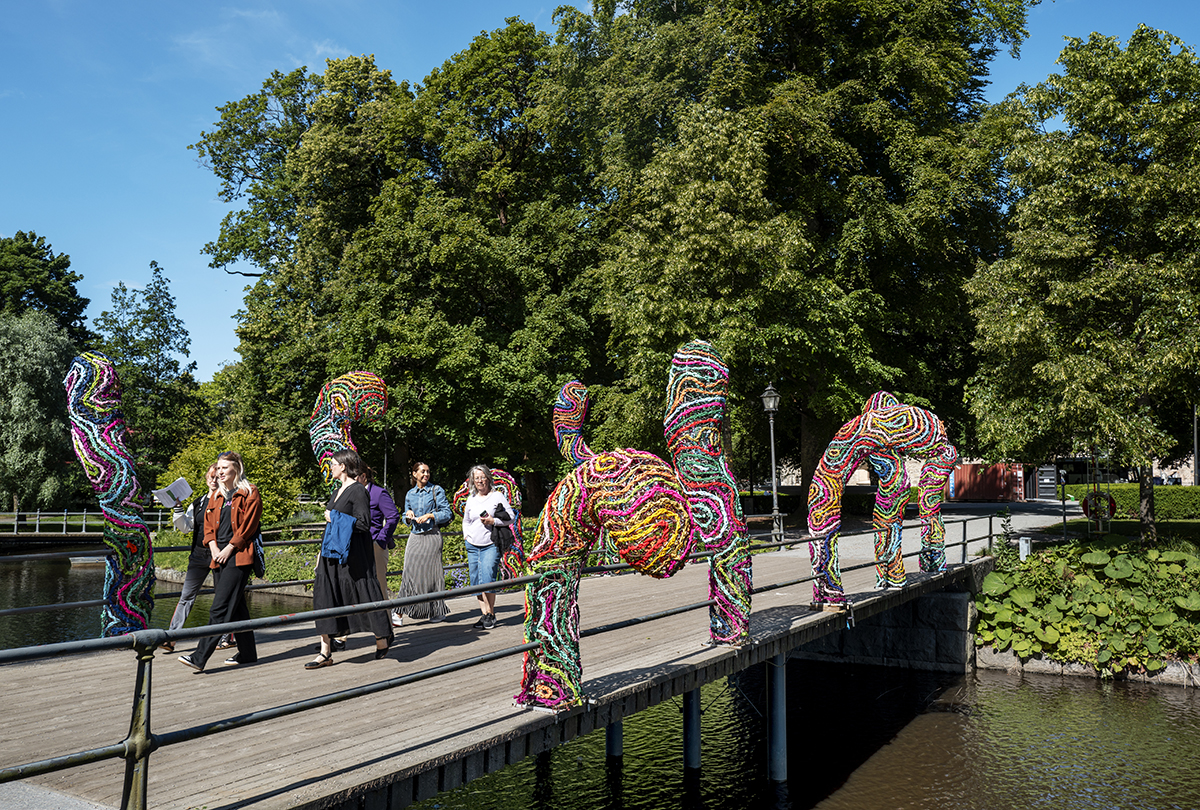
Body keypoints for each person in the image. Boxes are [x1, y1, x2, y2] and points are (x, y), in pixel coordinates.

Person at [307, 449, 393, 669]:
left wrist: (334, 517)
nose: (331, 467)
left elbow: (363, 523)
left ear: (343, 466)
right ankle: (325, 652)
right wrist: (320, 554)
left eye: (333, 464)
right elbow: (330, 525)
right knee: (325, 597)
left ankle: (382, 639)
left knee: (365, 593)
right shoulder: (337, 491)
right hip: (330, 554)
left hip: (352, 555)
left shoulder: (358, 491)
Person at [178, 451, 261, 671]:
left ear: (237, 468)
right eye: (219, 467)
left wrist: (230, 548)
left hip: (238, 556)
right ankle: (248, 654)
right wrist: (214, 548)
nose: (220, 472)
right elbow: (207, 527)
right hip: (218, 556)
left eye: (225, 468)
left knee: (220, 607)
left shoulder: (249, 492)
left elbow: (249, 526)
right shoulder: (217, 495)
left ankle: (199, 657)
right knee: (237, 607)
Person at [160, 462, 219, 653]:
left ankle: (227, 636)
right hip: (199, 555)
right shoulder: (198, 503)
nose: (214, 480)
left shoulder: (228, 501)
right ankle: (172, 637)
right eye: (211, 476)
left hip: (219, 556)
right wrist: (178, 508)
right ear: (206, 477)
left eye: (217, 476)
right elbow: (186, 527)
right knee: (186, 597)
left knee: (222, 597)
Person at [396, 461, 452, 625]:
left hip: (432, 536)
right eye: (422, 471)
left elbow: (447, 513)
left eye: (428, 471)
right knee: (409, 573)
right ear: (414, 474)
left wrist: (430, 516)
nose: (426, 474)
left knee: (433, 575)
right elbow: (405, 516)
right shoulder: (409, 494)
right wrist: (408, 516)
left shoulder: (436, 490)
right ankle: (399, 612)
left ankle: (437, 611)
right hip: (415, 536)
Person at [461, 464, 513, 630]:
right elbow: (466, 520)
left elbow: (511, 517)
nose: (480, 481)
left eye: (482, 477)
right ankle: (484, 614)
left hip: (490, 544)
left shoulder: (497, 496)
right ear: (472, 481)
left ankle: (490, 613)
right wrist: (466, 535)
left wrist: (493, 521)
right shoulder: (471, 498)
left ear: (488, 478)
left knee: (488, 578)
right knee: (476, 580)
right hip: (472, 544)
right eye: (476, 478)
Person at [356, 465, 400, 606]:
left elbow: (393, 517)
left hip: (375, 545)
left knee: (379, 589)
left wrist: (380, 541)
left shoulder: (378, 493)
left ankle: (386, 617)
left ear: (363, 476)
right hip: (359, 546)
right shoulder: (354, 493)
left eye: (354, 476)